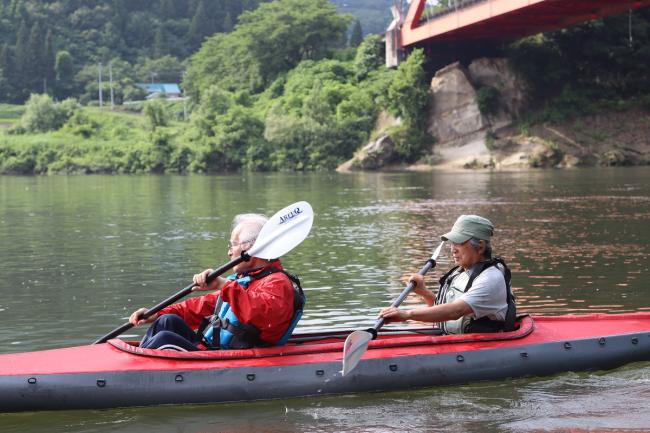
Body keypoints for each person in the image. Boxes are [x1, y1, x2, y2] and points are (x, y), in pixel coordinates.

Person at [129, 213, 305, 351]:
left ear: (250, 248)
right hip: (216, 348)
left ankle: (134, 376)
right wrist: (156, 314)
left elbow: (258, 314)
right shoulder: (244, 280)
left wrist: (222, 285)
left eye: (232, 245)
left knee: (164, 340)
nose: (229, 252)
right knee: (166, 321)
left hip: (242, 356)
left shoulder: (278, 283)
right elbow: (199, 306)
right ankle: (137, 361)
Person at [379, 215, 516, 334]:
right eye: (452, 243)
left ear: (480, 247)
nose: (452, 249)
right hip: (458, 341)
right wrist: (424, 292)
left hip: (482, 347)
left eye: (459, 243)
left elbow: (455, 311)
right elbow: (441, 311)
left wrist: (407, 314)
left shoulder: (491, 279)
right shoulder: (460, 272)